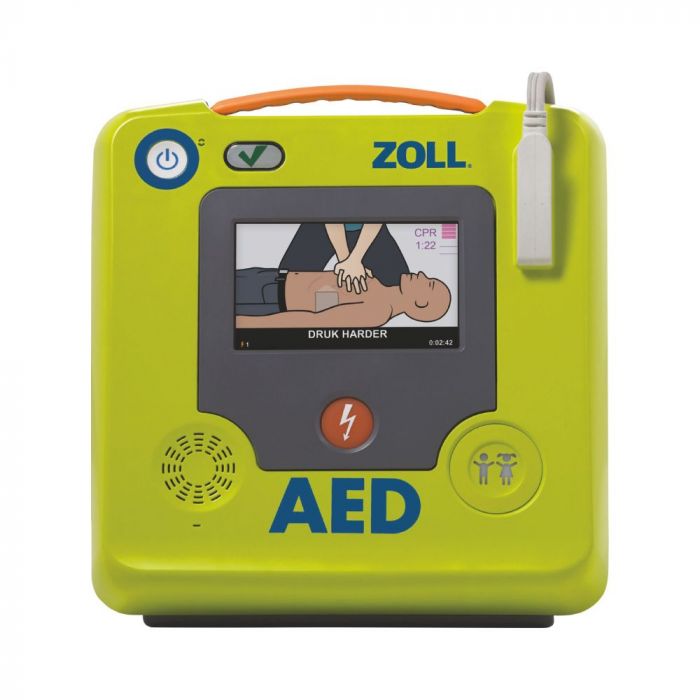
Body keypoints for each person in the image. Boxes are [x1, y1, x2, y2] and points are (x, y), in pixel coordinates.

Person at [235, 269, 450, 328]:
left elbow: (313, 321)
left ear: (420, 304)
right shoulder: (379, 288)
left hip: (266, 298)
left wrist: (245, 323)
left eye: (429, 283)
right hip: (269, 281)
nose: (422, 274)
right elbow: (325, 298)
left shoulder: (378, 311)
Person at [278, 222, 409, 292]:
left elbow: (377, 209)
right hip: (323, 223)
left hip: (370, 227)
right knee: (285, 281)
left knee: (399, 282)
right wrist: (346, 261)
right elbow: (327, 208)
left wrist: (355, 259)